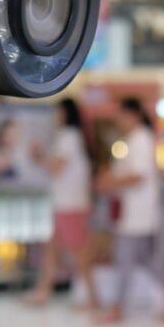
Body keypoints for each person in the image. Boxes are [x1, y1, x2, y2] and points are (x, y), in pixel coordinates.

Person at [94, 98, 164, 323]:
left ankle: (117, 308)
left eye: (121, 115)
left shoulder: (141, 139)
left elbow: (138, 176)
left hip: (138, 216)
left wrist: (111, 181)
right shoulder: (134, 140)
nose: (118, 120)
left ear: (132, 115)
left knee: (125, 260)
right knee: (147, 261)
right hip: (136, 215)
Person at [28, 98, 100, 309]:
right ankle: (43, 292)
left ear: (65, 113)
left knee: (79, 252)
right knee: (52, 250)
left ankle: (93, 298)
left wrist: (39, 157)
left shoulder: (69, 137)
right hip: (66, 203)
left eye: (57, 112)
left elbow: (57, 167)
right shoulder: (72, 137)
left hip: (70, 205)